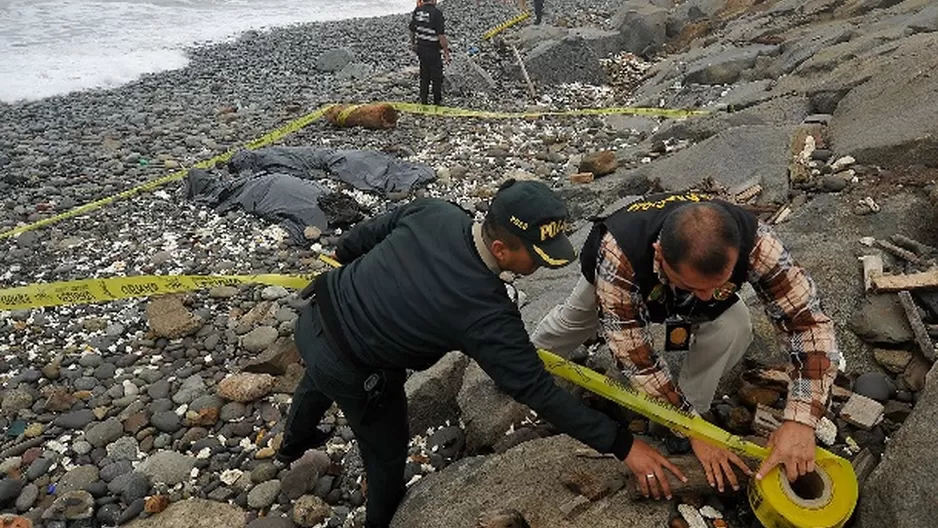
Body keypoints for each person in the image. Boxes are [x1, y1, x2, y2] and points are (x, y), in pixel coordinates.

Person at [277, 180, 688, 528]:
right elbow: (537, 391)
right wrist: (621, 445)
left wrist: (348, 271)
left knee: (315, 379)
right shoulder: (487, 313)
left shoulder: (434, 211)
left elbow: (360, 239)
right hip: (355, 368)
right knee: (386, 458)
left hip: (315, 313)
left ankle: (292, 445)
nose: (543, 267)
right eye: (538, 257)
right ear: (500, 247)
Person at [532, 191, 841, 498]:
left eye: (717, 285)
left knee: (734, 325)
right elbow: (635, 358)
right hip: (619, 273)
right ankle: (523, 357)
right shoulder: (618, 255)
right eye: (694, 287)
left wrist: (801, 419)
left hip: (687, 273)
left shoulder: (758, 243)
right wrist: (694, 431)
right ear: (660, 253)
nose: (705, 298)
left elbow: (807, 322)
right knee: (574, 321)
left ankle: (691, 408)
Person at [409, 0, 450, 106]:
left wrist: (413, 44)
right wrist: (446, 52)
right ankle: (437, 101)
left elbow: (412, 30)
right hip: (433, 49)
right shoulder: (436, 13)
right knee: (437, 76)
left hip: (421, 48)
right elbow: (441, 35)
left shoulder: (417, 10)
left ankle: (424, 100)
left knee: (424, 74)